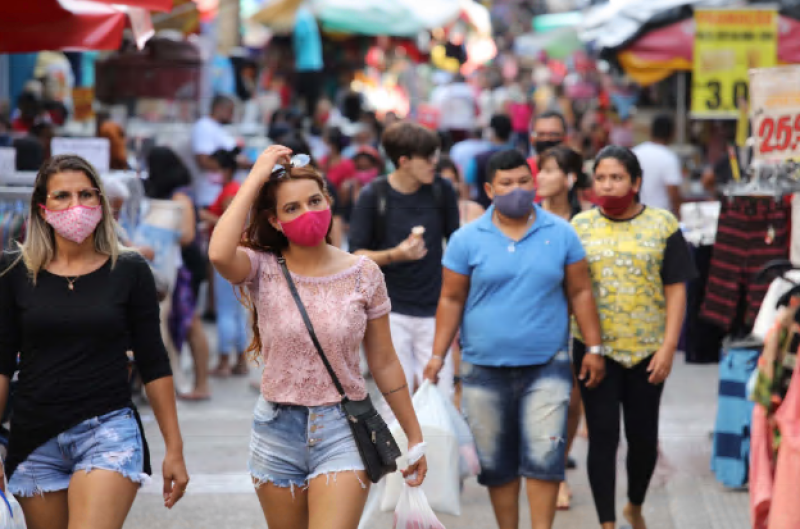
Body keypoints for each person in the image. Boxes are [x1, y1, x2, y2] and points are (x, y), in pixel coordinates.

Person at [208, 145, 428, 529]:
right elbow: (218, 254)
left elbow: (385, 360)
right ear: (275, 221)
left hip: (344, 426)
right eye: (291, 208)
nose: (307, 213)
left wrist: (414, 435)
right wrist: (256, 175)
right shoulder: (261, 268)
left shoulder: (364, 273)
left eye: (314, 201)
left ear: (328, 200)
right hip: (276, 429)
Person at [0, 154, 189, 529]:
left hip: (108, 430)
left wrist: (174, 449)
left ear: (101, 204)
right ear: (42, 207)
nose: (77, 206)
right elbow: (2, 364)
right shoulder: (13, 272)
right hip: (34, 434)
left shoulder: (130, 269)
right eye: (62, 196)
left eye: (87, 195)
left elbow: (153, 361)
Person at [423, 148, 605, 529]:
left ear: (534, 184)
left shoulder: (561, 233)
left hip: (547, 366)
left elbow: (581, 292)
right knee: (496, 463)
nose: (517, 189)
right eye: (507, 183)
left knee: (545, 457)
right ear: (490, 189)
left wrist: (594, 347)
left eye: (524, 181)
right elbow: (451, 298)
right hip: (483, 369)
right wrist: (438, 356)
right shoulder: (466, 239)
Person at [571, 146, 696, 529]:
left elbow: (676, 288)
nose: (608, 186)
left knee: (643, 439)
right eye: (602, 178)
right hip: (594, 352)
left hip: (648, 351)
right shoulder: (579, 227)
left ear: (636, 182)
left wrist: (669, 346)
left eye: (617, 178)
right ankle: (607, 523)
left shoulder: (664, 225)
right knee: (603, 437)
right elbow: (573, 289)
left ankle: (634, 505)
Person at [349, 122, 460, 398]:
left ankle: (434, 443)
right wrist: (396, 255)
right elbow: (355, 256)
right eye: (428, 158)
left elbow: (456, 243)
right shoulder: (374, 195)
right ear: (404, 161)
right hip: (389, 313)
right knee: (395, 402)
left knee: (440, 395)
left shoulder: (441, 190)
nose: (434, 163)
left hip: (435, 310)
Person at [535, 144, 590, 510]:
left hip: (578, 322)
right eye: (540, 169)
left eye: (551, 170)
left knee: (572, 403)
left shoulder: (586, 221)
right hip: (538, 319)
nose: (541, 177)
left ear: (570, 177)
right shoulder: (528, 218)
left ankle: (558, 468)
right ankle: (546, 473)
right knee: (543, 401)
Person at [146, 147, 212, 401]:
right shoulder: (179, 194)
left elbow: (187, 236)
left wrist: (157, 235)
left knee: (191, 322)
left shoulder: (179, 198)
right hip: (179, 264)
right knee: (185, 321)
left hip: (184, 267)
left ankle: (202, 384)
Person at [201, 147, 250, 378]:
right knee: (236, 311)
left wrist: (204, 216)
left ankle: (223, 361)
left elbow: (230, 224)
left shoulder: (231, 191)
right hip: (237, 253)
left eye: (216, 169)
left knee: (226, 311)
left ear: (226, 169)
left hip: (228, 254)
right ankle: (240, 360)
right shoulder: (233, 189)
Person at [192, 94, 242, 207]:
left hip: (222, 194)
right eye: (230, 111)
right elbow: (203, 160)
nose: (231, 115)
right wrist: (234, 164)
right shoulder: (204, 126)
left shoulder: (217, 128)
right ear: (218, 108)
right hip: (210, 196)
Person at [632, 114, 683, 216]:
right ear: (672, 134)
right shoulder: (669, 157)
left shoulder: (635, 153)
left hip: (635, 215)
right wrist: (680, 216)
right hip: (660, 217)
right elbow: (673, 191)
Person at [466, 114, 513, 209]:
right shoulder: (520, 156)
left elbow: (467, 185)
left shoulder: (478, 159)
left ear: (492, 131)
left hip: (483, 208)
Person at [437, 156, 484, 225]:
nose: (450, 187)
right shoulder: (428, 212)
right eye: (445, 182)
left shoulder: (473, 209)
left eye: (453, 180)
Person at [528, 110, 569, 180]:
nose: (547, 139)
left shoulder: (573, 169)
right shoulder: (524, 169)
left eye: (554, 134)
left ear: (565, 138)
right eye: (541, 134)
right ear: (532, 139)